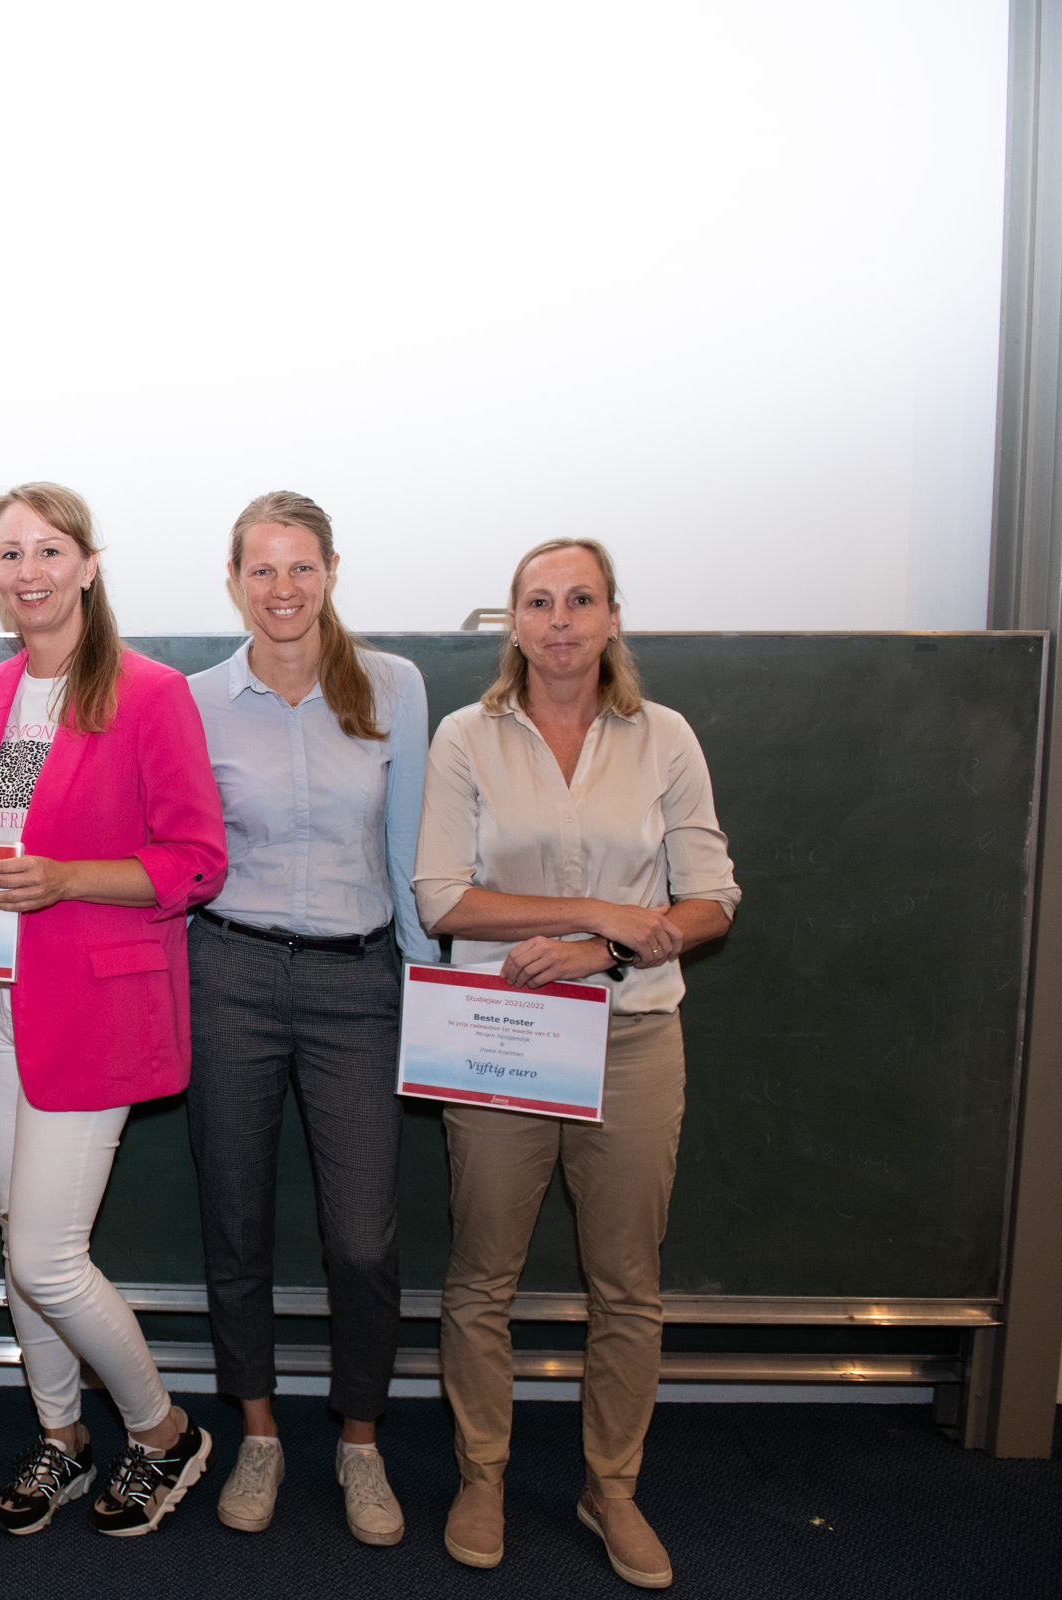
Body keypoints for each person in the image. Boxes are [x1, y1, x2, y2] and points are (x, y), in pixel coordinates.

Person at [412, 537, 739, 1590]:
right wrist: (598, 907)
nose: (560, 619)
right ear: (511, 621)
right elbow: (442, 898)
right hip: (502, 1035)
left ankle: (612, 1489)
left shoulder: (665, 736)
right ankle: (483, 1472)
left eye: (580, 600)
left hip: (632, 1030)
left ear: (610, 617)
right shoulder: (467, 736)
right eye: (539, 601)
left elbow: (710, 898)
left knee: (628, 1286)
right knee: (480, 1278)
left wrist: (600, 949)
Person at [0, 483, 228, 1537]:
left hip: (93, 1009)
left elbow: (193, 863)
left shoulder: (148, 693)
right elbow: (11, 836)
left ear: (88, 565)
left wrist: (66, 878)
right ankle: (62, 1438)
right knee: (20, 1238)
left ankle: (163, 1432)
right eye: (9, 554)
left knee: (47, 1254)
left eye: (48, 551)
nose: (29, 573)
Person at [185, 491, 435, 1545]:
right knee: (236, 1223)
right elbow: (173, 847)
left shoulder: (394, 685)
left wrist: (432, 982)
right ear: (233, 580)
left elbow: (415, 840)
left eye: (301, 568)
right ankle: (258, 1432)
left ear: (333, 569)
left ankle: (361, 1438)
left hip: (357, 986)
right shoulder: (195, 699)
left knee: (364, 1238)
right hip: (229, 975)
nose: (282, 590)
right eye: (261, 570)